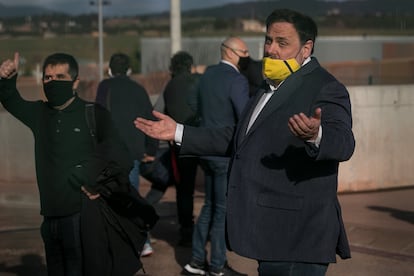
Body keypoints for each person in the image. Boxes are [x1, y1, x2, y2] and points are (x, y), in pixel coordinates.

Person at [134, 8, 355, 276]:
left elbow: (344, 142)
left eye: (282, 43)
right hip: (271, 234)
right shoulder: (269, 85)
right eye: (268, 40)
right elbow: (240, 137)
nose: (271, 49)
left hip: (298, 236)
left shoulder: (325, 86)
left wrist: (316, 136)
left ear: (306, 48)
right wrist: (179, 132)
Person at [0, 52, 141, 275]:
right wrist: (8, 78)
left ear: (75, 82)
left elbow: (121, 155)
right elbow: (11, 100)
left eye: (59, 76)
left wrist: (93, 179)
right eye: (47, 78)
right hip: (49, 219)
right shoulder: (40, 113)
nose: (52, 82)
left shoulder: (94, 113)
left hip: (81, 218)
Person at [182, 36, 250, 276]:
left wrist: (207, 121)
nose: (247, 55)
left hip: (205, 151)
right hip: (224, 153)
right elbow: (245, 116)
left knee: (209, 206)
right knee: (221, 210)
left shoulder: (206, 76)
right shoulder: (237, 80)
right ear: (231, 52)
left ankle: (197, 261)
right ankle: (218, 265)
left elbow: (192, 102)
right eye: (244, 51)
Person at [95, 52, 157, 256]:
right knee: (131, 195)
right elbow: (150, 119)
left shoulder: (105, 87)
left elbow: (98, 118)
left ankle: (119, 242)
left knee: (110, 198)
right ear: (129, 70)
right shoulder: (139, 89)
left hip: (110, 152)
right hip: (132, 153)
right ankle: (143, 241)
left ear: (110, 70)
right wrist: (151, 150)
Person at [162, 50, 201, 247]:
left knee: (184, 189)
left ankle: (186, 229)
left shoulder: (169, 87)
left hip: (179, 142)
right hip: (201, 138)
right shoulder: (196, 81)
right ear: (189, 65)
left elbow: (166, 114)